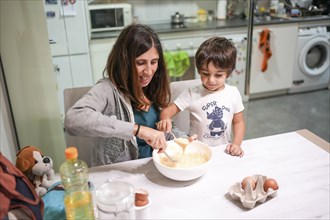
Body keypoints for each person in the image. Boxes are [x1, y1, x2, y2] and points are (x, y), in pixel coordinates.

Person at [65, 24, 180, 166]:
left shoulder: (153, 87)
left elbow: (163, 133)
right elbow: (73, 120)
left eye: (154, 62)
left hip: (154, 168)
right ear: (124, 61)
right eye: (140, 63)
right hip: (119, 176)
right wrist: (137, 130)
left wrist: (183, 140)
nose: (149, 71)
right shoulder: (107, 90)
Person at [157, 36, 245, 157]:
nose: (211, 80)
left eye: (218, 75)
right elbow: (166, 112)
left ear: (228, 73)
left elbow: (238, 122)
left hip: (223, 151)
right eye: (205, 74)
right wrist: (165, 119)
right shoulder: (191, 93)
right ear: (199, 70)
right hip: (196, 151)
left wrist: (236, 144)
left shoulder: (233, 93)